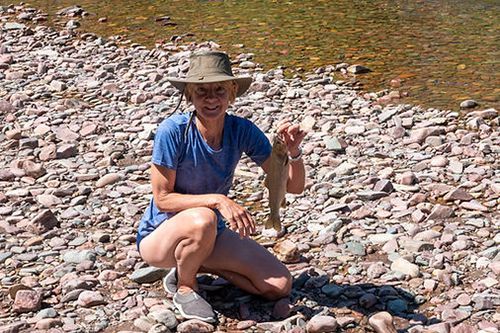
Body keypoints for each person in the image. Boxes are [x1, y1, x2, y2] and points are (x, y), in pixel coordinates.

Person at [136, 51, 306, 323]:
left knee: (278, 285)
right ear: (190, 95)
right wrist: (218, 200)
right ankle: (185, 286)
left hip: (209, 233)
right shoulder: (173, 131)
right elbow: (162, 200)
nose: (211, 98)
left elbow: (293, 187)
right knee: (204, 217)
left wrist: (293, 153)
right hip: (160, 237)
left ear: (232, 93)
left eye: (219, 90)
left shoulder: (241, 130)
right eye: (202, 91)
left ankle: (193, 263)